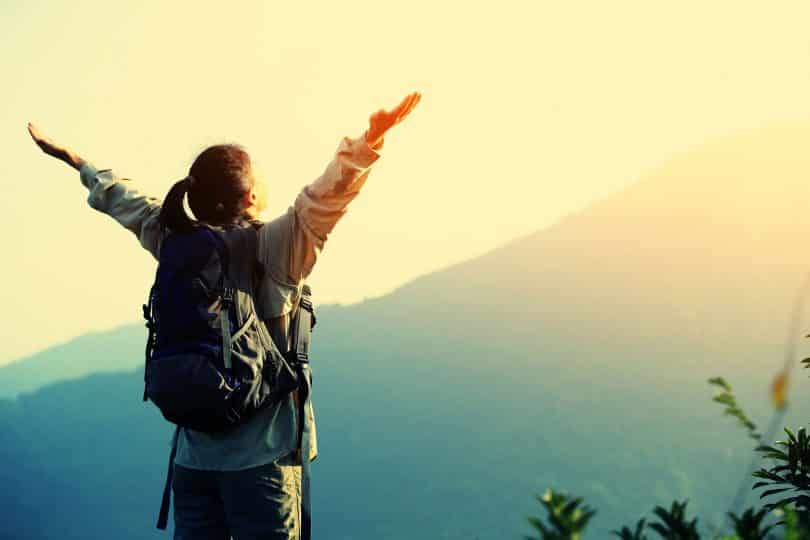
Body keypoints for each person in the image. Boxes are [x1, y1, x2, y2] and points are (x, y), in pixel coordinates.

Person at [26, 90, 422, 540]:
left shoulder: (173, 239)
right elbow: (326, 197)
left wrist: (76, 160)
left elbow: (126, 200)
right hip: (262, 463)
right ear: (251, 195)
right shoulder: (280, 246)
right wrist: (371, 139)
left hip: (192, 461)